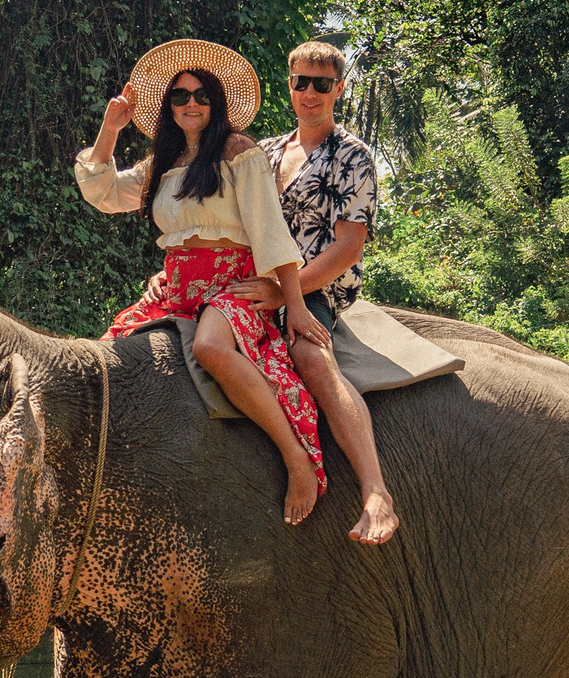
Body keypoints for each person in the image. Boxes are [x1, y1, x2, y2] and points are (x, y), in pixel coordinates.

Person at [150, 39, 399, 543]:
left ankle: (375, 490)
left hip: (311, 286)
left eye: (322, 84)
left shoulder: (353, 155)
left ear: (338, 90)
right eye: (301, 82)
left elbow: (349, 247)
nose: (310, 92)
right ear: (289, 85)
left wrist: (289, 296)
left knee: (310, 358)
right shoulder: (262, 149)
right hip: (245, 277)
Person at [75, 41, 330, 525]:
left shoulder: (239, 152)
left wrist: (293, 305)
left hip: (230, 284)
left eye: (201, 95)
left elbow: (269, 232)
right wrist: (111, 129)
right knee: (110, 350)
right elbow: (103, 193)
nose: (190, 103)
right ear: (168, 108)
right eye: (180, 96)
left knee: (211, 348)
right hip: (176, 288)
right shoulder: (160, 166)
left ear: (216, 104)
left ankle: (295, 457)